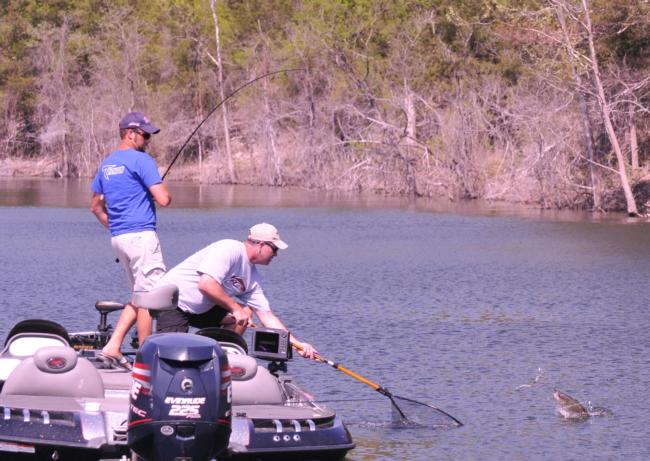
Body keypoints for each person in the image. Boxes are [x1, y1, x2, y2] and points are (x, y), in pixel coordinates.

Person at [156, 223, 317, 359]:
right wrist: (235, 308)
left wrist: (297, 344)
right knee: (173, 355)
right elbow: (206, 284)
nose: (275, 254)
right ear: (261, 245)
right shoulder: (230, 248)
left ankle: (219, 359)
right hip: (172, 302)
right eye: (274, 249)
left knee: (243, 316)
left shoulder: (252, 278)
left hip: (200, 309)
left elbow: (267, 317)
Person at [90, 111, 171, 368]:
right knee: (150, 297)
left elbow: (95, 207)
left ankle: (113, 346)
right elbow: (164, 199)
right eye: (145, 135)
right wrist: (158, 187)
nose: (148, 140)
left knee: (139, 295)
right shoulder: (142, 161)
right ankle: (146, 359)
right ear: (130, 133)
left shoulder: (107, 164)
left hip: (120, 238)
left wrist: (114, 227)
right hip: (141, 236)